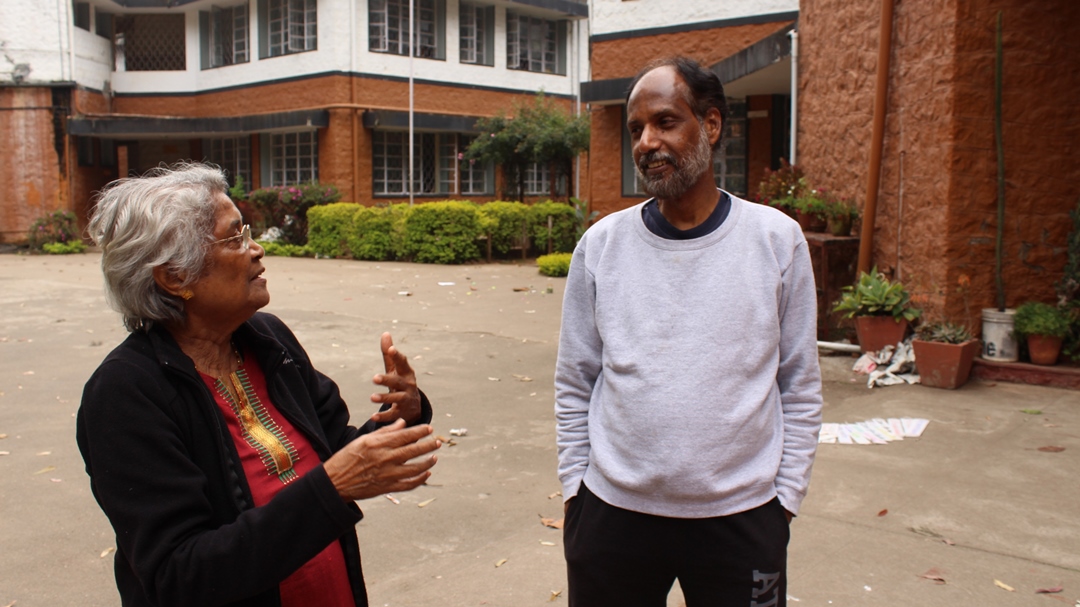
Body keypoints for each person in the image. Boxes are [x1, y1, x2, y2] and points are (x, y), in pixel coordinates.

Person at [77, 163, 441, 607]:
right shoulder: (125, 393)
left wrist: (400, 415)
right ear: (175, 276)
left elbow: (337, 451)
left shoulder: (268, 340)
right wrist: (331, 489)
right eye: (234, 238)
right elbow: (178, 575)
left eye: (247, 232)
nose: (256, 249)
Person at [555, 56, 823, 607]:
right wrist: (575, 490)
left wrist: (784, 500)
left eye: (665, 122)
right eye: (636, 129)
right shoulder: (601, 246)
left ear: (711, 124)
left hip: (742, 517)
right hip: (612, 516)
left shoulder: (776, 241)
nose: (647, 142)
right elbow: (575, 379)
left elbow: (799, 383)